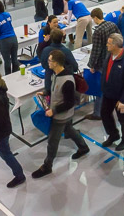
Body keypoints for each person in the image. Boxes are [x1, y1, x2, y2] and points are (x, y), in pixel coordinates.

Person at [32, 50, 90, 179]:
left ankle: (47, 166)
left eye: (50, 61)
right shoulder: (56, 74)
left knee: (52, 141)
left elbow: (70, 102)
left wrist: (54, 111)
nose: (48, 63)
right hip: (63, 114)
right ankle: (83, 147)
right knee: (69, 130)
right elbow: (55, 90)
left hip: (61, 116)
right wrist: (46, 92)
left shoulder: (67, 81)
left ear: (57, 63)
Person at [100, 33, 124, 151]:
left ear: (115, 45)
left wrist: (123, 100)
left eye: (109, 43)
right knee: (104, 114)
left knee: (123, 119)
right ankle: (113, 134)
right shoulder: (109, 56)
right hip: (108, 94)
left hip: (120, 97)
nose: (107, 45)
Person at [85, 8, 120, 121]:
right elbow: (120, 38)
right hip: (113, 59)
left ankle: (98, 113)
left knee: (100, 89)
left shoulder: (98, 31)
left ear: (95, 18)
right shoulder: (112, 25)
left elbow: (96, 50)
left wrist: (92, 65)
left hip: (102, 64)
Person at [0, 0, 20, 76]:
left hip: (4, 40)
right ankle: (15, 75)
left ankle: (8, 77)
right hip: (13, 38)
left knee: (7, 61)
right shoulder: (8, 14)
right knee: (15, 59)